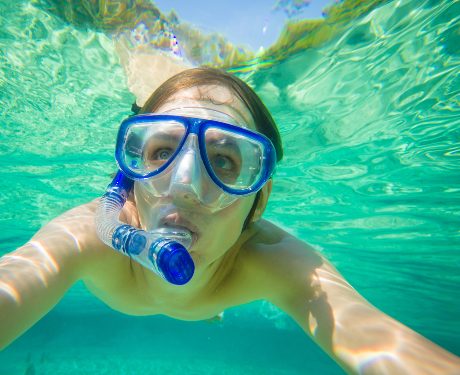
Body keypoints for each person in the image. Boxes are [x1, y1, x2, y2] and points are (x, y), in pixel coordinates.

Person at [0, 67, 459, 374]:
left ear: (257, 199)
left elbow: (381, 341)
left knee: (208, 311)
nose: (183, 184)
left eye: (222, 161)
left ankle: (211, 312)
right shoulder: (89, 235)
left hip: (212, 301)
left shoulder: (271, 260)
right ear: (130, 176)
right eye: (161, 151)